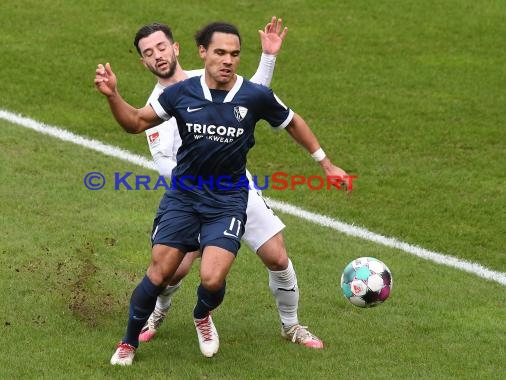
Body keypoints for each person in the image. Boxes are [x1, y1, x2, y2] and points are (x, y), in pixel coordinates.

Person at [94, 20, 350, 366]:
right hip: (188, 195)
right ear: (143, 61)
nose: (157, 55)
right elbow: (149, 139)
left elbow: (254, 100)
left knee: (273, 258)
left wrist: (269, 58)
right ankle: (154, 317)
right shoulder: (167, 100)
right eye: (148, 53)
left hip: (233, 191)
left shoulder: (212, 73)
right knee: (171, 271)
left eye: (161, 47)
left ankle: (291, 326)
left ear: (178, 48)